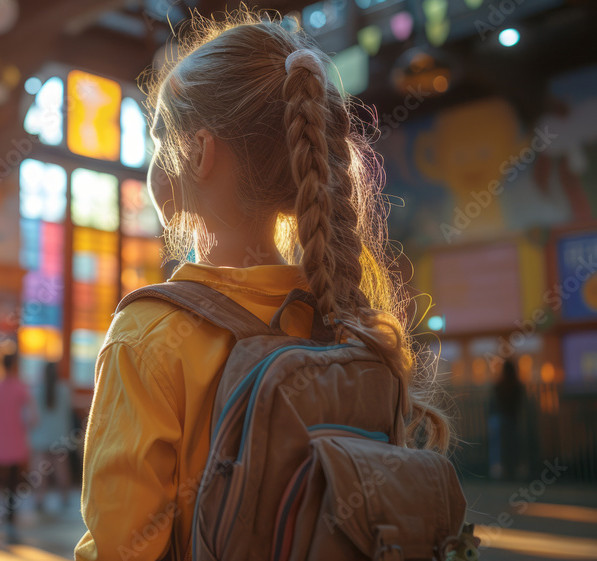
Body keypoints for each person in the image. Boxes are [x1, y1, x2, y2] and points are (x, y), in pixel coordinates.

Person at [75, 11, 451, 561]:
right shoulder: (349, 320)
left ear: (199, 152)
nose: (153, 163)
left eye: (160, 141)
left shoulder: (147, 333)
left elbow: (121, 548)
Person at [0, 352, 33, 545]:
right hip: (14, 442)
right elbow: (32, 417)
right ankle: (11, 527)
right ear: (15, 366)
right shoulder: (21, 389)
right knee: (12, 487)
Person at [29, 362, 74, 513]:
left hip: (40, 436)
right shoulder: (64, 390)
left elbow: (31, 416)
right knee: (61, 469)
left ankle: (39, 499)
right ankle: (65, 498)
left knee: (39, 471)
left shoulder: (36, 391)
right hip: (60, 436)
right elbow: (69, 414)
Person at [493, 359, 526, 480]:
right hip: (512, 418)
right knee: (513, 445)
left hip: (499, 418)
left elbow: (494, 401)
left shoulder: (499, 385)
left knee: (499, 446)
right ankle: (513, 469)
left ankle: (498, 470)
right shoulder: (516, 385)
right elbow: (519, 403)